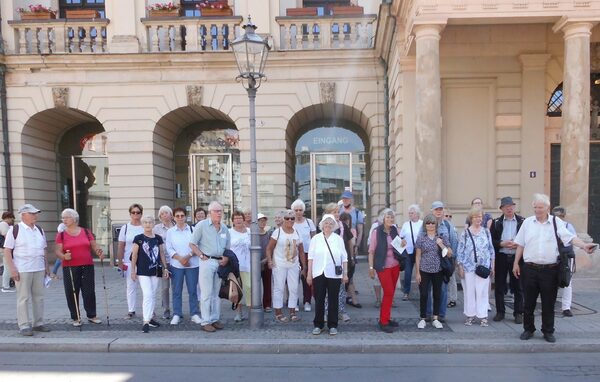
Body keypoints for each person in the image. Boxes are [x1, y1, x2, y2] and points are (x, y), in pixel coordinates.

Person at [513, 194, 595, 343]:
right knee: (529, 302)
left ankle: (548, 331)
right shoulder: (527, 223)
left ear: (547, 208)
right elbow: (520, 244)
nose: (537, 210)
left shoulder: (556, 223)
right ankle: (528, 329)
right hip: (529, 269)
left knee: (548, 302)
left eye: (540, 207)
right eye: (535, 207)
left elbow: (570, 238)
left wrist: (584, 245)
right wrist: (516, 263)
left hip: (550, 270)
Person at [2, 204, 50, 336]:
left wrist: (47, 267)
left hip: (38, 267)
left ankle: (38, 323)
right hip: (22, 268)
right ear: (23, 215)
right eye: (32, 213)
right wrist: (12, 269)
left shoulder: (39, 229)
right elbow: (7, 250)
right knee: (23, 298)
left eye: (36, 213)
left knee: (39, 297)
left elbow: (44, 249)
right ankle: (24, 325)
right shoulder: (14, 230)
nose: (35, 216)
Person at [55, 208, 104, 326]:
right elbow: (57, 252)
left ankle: (92, 315)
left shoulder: (86, 232)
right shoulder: (61, 235)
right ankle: (75, 317)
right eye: (63, 217)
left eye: (67, 217)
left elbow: (94, 245)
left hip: (87, 265)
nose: (64, 220)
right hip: (70, 266)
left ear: (74, 218)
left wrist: (99, 252)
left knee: (89, 291)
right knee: (72, 291)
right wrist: (64, 256)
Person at [190, 201, 231, 333]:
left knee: (216, 293)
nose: (219, 213)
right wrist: (201, 256)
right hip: (207, 261)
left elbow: (228, 248)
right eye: (216, 211)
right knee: (206, 293)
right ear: (210, 213)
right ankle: (206, 321)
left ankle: (214, 319)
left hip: (220, 263)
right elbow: (192, 244)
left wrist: (226, 258)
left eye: (221, 211)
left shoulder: (224, 228)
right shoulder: (202, 225)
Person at [307, 214, 348, 336]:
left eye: (331, 223)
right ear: (322, 225)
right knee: (319, 299)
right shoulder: (316, 239)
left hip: (334, 274)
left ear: (334, 225)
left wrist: (345, 274)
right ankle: (318, 324)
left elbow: (344, 258)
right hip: (319, 272)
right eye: (326, 223)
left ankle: (332, 325)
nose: (328, 225)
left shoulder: (338, 239)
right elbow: (311, 257)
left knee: (333, 300)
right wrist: (309, 274)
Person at [131, 215, 170, 333]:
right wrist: (133, 270)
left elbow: (162, 254)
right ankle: (146, 321)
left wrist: (165, 268)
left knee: (152, 294)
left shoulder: (158, 238)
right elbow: (134, 255)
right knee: (147, 294)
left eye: (150, 222)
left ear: (153, 224)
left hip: (155, 270)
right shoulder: (138, 238)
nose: (148, 224)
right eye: (145, 222)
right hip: (143, 271)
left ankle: (150, 319)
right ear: (142, 225)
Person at [456, 207, 494, 327]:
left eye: (480, 217)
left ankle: (483, 316)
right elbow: (460, 251)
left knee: (482, 291)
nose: (479, 219)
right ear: (471, 218)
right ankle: (470, 315)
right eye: (476, 216)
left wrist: (492, 265)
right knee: (469, 291)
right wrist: (460, 267)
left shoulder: (486, 232)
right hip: (468, 267)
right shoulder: (465, 233)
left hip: (483, 267)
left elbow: (491, 249)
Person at [489, 196, 525, 324]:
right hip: (502, 257)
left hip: (517, 257)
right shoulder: (496, 222)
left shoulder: (522, 221)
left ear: (514, 207)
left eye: (511, 206)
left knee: (518, 286)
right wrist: (501, 243)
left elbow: (528, 239)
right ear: (502, 209)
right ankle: (500, 311)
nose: (509, 208)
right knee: (499, 285)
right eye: (506, 206)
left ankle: (518, 312)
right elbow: (491, 241)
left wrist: (518, 244)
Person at [266, 209, 305, 323]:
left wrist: (304, 266)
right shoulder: (277, 232)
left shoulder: (297, 232)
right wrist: (269, 260)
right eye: (287, 218)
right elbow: (269, 248)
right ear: (283, 219)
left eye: (292, 218)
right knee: (279, 288)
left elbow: (301, 251)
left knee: (293, 288)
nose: (290, 220)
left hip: (293, 264)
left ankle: (292, 312)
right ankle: (278, 312)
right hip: (279, 264)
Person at [368, 208, 402, 333]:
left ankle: (387, 318)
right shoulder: (376, 232)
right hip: (383, 267)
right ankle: (383, 321)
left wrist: (403, 243)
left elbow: (400, 248)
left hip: (395, 265)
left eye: (392, 217)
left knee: (391, 293)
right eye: (388, 217)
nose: (390, 219)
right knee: (388, 293)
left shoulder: (395, 230)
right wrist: (371, 268)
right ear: (383, 219)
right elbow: (371, 252)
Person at [416, 213, 452, 330]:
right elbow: (418, 256)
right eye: (428, 223)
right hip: (424, 270)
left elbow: (449, 253)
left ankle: (435, 318)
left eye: (432, 223)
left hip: (438, 270)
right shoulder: (421, 238)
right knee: (424, 294)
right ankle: (423, 318)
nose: (430, 225)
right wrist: (417, 273)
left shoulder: (441, 237)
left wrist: (441, 244)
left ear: (436, 225)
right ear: (425, 225)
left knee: (437, 294)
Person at [165, 207, 200, 325]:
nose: (180, 218)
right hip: (176, 265)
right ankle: (177, 314)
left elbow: (198, 245)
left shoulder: (193, 230)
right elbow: (169, 248)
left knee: (193, 290)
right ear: (174, 217)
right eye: (177, 216)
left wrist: (188, 256)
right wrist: (180, 259)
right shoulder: (170, 232)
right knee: (176, 290)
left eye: (182, 215)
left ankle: (194, 313)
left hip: (193, 264)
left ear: (186, 217)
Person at [426, 201, 458, 323]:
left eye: (440, 209)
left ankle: (440, 314)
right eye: (436, 209)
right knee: (428, 289)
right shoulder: (425, 225)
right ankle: (428, 313)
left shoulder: (448, 226)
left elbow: (454, 244)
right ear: (432, 211)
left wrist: (453, 260)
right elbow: (419, 243)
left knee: (443, 289)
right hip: (428, 263)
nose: (439, 211)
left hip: (443, 264)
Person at [322, 203, 352, 322]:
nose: (337, 214)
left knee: (341, 289)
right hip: (327, 262)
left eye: (338, 211)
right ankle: (326, 312)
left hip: (340, 262)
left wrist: (352, 258)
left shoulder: (343, 226)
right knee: (326, 290)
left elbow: (349, 242)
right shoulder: (323, 226)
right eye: (334, 212)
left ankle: (341, 311)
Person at [116, 203, 145, 319]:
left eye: (138, 212)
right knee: (131, 286)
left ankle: (148, 310)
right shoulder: (125, 228)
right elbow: (121, 245)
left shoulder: (145, 226)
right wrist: (120, 261)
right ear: (130, 214)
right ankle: (131, 310)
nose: (135, 214)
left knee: (146, 287)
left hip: (144, 261)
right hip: (129, 261)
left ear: (141, 214)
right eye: (133, 212)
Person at [551, 206, 577, 317]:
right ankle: (549, 305)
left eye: (561, 216)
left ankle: (566, 307)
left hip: (565, 258)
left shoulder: (568, 226)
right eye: (557, 216)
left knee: (567, 282)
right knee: (550, 283)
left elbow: (573, 241)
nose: (559, 219)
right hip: (552, 257)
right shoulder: (549, 226)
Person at [292, 199, 316, 312]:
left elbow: (314, 238)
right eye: (296, 210)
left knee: (307, 278)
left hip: (307, 253)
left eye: (300, 210)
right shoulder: (291, 222)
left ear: (303, 211)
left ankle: (307, 301)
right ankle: (294, 302)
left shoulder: (309, 222)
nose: (298, 212)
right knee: (294, 279)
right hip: (294, 254)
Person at [153, 205, 175, 320]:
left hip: (176, 261)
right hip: (163, 262)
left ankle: (177, 309)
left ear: (171, 215)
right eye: (162, 214)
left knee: (176, 287)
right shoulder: (156, 228)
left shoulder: (176, 227)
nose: (164, 215)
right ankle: (166, 309)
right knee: (165, 287)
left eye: (166, 213)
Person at [229, 210, 251, 322]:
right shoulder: (229, 233)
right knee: (237, 290)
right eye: (235, 218)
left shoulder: (249, 231)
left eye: (240, 218)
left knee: (249, 288)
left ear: (243, 220)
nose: (238, 220)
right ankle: (238, 312)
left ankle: (251, 311)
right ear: (232, 221)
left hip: (248, 265)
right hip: (234, 267)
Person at [399, 204, 423, 300]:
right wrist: (402, 242)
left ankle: (422, 291)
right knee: (408, 272)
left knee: (421, 272)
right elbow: (401, 237)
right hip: (408, 251)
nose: (410, 215)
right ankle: (406, 292)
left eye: (412, 213)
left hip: (420, 251)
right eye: (409, 213)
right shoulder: (406, 224)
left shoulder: (422, 223)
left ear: (417, 214)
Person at [339, 190, 365, 258]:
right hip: (339, 241)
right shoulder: (338, 210)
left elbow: (360, 231)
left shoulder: (357, 212)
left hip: (352, 241)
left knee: (351, 263)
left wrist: (357, 246)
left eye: (347, 198)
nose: (345, 200)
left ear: (351, 200)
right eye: (343, 198)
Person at [258, 213, 272, 312]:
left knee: (267, 285)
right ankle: (256, 304)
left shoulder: (268, 234)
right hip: (255, 264)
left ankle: (267, 305)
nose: (262, 223)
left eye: (264, 221)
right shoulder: (252, 235)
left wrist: (267, 259)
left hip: (266, 263)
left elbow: (271, 249)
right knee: (255, 285)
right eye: (260, 221)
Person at [0, 211, 16, 292]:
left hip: (2, 249)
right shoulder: (4, 224)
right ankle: (5, 287)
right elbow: (7, 237)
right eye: (12, 219)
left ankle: (8, 284)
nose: (12, 221)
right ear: (8, 218)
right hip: (3, 249)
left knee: (6, 267)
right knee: (7, 268)